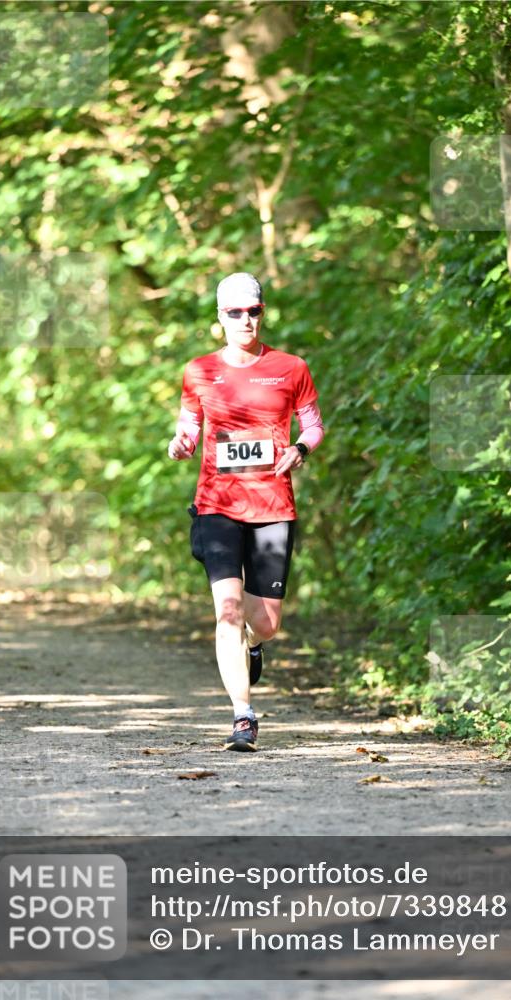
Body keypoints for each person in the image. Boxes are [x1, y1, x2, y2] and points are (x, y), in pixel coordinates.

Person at [168, 273, 325, 751]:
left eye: (252, 311)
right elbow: (189, 425)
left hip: (272, 506)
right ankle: (243, 715)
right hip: (217, 505)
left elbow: (314, 426)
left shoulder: (291, 367)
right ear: (220, 317)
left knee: (266, 622)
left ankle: (255, 646)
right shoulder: (199, 370)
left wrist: (300, 448)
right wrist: (181, 443)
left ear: (262, 312)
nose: (245, 320)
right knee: (228, 611)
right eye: (234, 312)